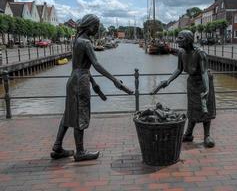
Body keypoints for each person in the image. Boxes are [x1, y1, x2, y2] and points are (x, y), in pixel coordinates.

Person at [50, 14, 133, 161]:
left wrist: (93, 83)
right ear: (90, 26)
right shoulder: (86, 43)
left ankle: (57, 147)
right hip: (81, 82)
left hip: (73, 79)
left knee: (69, 112)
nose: (98, 28)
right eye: (97, 26)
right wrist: (114, 80)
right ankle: (80, 152)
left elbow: (80, 66)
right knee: (80, 114)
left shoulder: (77, 41)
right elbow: (96, 64)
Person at [151, 30, 216, 148]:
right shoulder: (181, 53)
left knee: (205, 108)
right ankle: (189, 134)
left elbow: (204, 72)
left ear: (188, 40)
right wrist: (168, 81)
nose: (177, 40)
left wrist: (206, 89)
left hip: (203, 82)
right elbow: (178, 69)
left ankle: (207, 135)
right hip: (192, 82)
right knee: (192, 108)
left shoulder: (200, 53)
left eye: (180, 38)